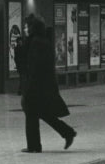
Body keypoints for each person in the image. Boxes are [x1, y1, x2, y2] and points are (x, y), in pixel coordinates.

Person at [20, 14, 76, 152]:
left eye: (27, 26)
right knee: (42, 113)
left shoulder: (36, 42)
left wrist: (28, 87)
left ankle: (34, 146)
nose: (25, 29)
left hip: (37, 85)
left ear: (33, 27)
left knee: (32, 113)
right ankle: (67, 132)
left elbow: (34, 66)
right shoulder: (41, 41)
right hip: (43, 85)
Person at [12, 30, 26, 96]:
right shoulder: (19, 48)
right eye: (19, 41)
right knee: (22, 78)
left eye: (21, 41)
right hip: (21, 65)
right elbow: (16, 58)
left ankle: (21, 90)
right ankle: (21, 90)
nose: (20, 42)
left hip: (22, 65)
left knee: (22, 78)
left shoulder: (18, 48)